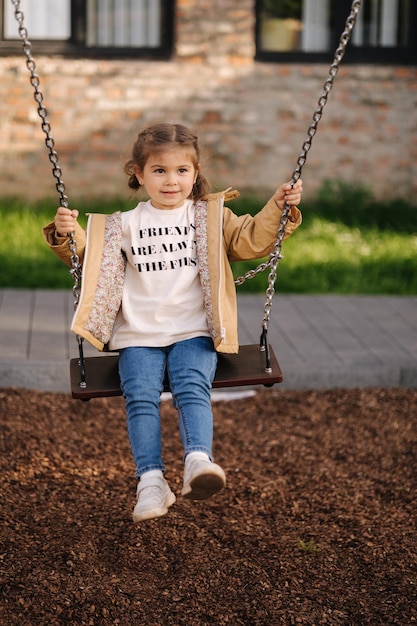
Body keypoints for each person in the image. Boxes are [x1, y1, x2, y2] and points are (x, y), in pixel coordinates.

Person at [43, 122, 303, 523]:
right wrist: (67, 233)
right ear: (139, 173)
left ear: (195, 174)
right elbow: (87, 255)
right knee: (140, 396)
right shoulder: (121, 225)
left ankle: (198, 460)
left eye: (182, 171)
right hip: (138, 336)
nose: (171, 180)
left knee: (191, 385)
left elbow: (252, 239)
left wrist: (277, 205)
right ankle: (151, 481)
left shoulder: (210, 218)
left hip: (193, 332)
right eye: (159, 171)